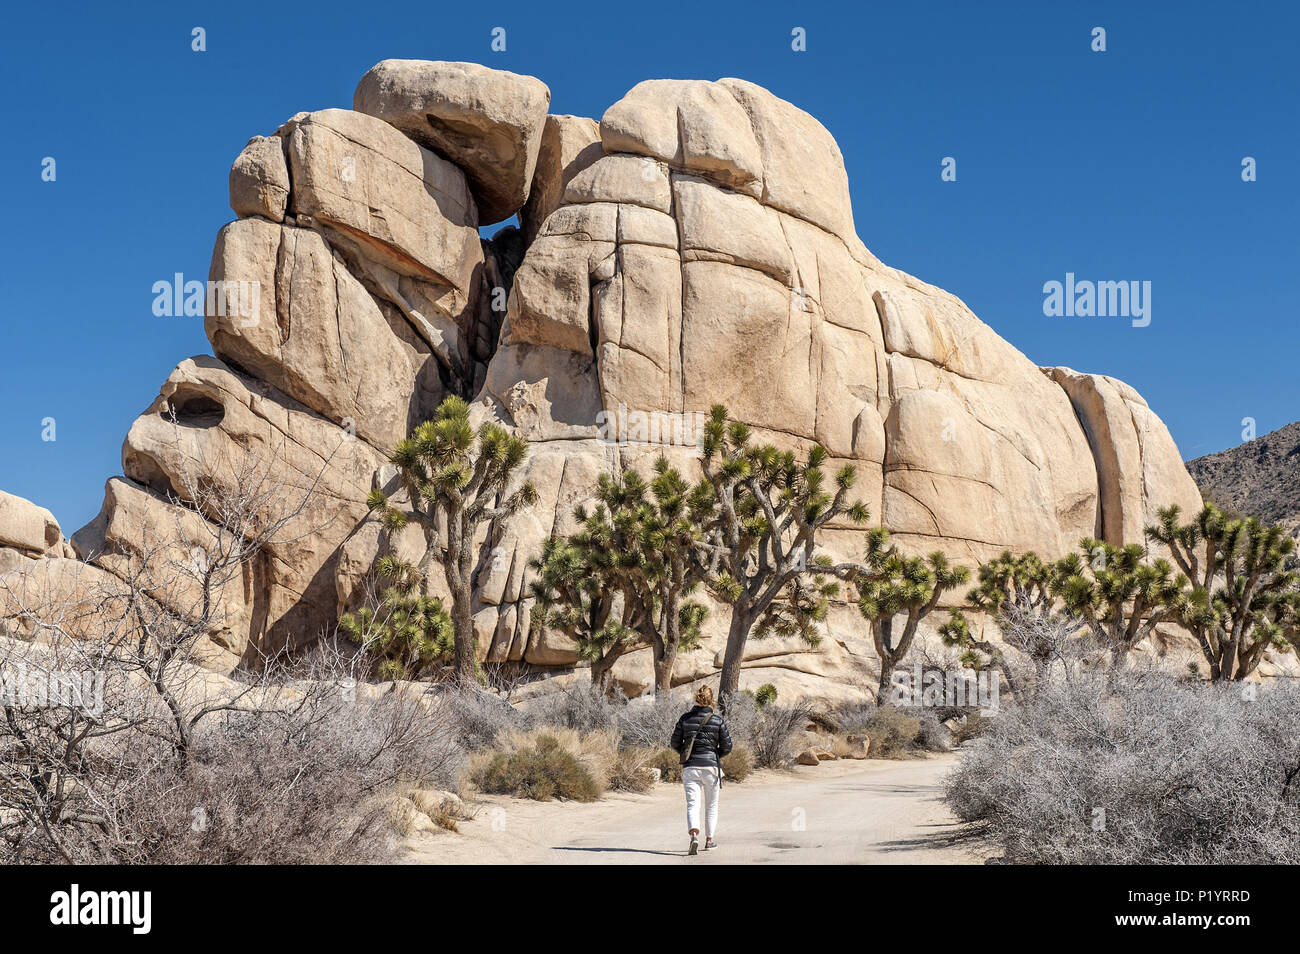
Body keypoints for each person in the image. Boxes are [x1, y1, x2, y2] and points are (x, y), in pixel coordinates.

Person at [670, 684, 733, 855]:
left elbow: (674, 743)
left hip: (690, 767)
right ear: (711, 700)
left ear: (696, 699)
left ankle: (694, 836)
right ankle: (710, 840)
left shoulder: (685, 719)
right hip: (711, 768)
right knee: (711, 806)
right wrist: (715, 755)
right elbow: (728, 746)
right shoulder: (717, 720)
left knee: (693, 804)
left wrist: (685, 753)